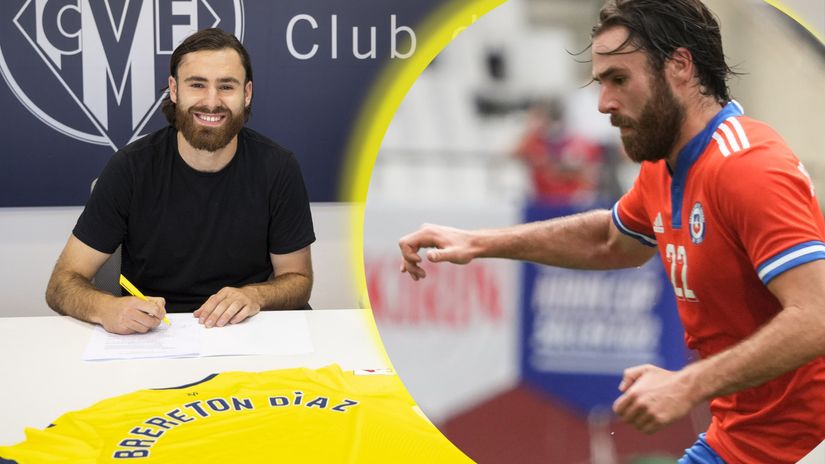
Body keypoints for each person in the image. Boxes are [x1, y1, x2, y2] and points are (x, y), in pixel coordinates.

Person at [398, 1, 825, 462]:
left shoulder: (747, 167)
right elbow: (609, 241)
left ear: (680, 66)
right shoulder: (667, 167)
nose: (604, 104)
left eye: (619, 79)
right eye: (601, 83)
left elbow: (817, 315)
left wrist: (687, 383)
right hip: (744, 439)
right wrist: (478, 242)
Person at [46, 28, 315, 335]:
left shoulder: (278, 168)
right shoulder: (130, 168)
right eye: (197, 85)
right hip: (155, 335)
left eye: (226, 86)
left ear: (247, 93)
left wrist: (256, 295)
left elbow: (298, 280)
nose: (212, 102)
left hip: (247, 332)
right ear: (174, 90)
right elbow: (62, 282)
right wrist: (105, 307)